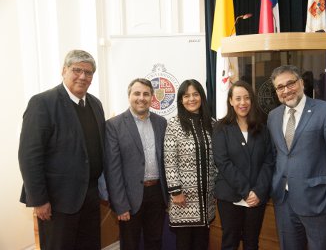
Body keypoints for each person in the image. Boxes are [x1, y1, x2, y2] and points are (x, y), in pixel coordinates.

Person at [18, 50, 105, 250]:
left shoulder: (95, 104)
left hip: (90, 197)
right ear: (64, 70)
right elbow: (29, 156)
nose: (83, 76)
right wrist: (39, 200)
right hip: (57, 202)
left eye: (88, 72)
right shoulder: (43, 103)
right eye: (77, 70)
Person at [267, 65, 326, 250]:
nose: (286, 90)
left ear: (301, 83)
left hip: (319, 202)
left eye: (290, 83)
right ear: (276, 91)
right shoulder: (273, 117)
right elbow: (275, 155)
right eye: (280, 87)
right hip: (284, 202)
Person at [104, 78, 168, 250]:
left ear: (152, 98)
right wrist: (120, 204)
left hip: (157, 194)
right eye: (137, 93)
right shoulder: (114, 125)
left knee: (155, 241)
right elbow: (112, 168)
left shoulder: (161, 122)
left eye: (146, 94)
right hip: (129, 197)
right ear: (129, 96)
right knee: (130, 244)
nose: (141, 98)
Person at [212, 81, 274, 250]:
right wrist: (246, 191)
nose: (243, 103)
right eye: (238, 98)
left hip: (257, 197)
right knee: (230, 242)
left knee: (252, 242)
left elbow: (269, 161)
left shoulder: (262, 127)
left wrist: (258, 191)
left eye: (247, 98)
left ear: (252, 101)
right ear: (231, 101)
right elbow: (223, 162)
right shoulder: (221, 128)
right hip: (230, 195)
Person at [164, 79, 217, 250]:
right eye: (186, 96)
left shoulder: (212, 123)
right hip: (183, 201)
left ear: (201, 97)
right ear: (181, 100)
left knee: (202, 244)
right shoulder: (174, 124)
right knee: (185, 245)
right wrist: (176, 192)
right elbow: (169, 161)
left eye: (195, 94)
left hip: (207, 199)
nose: (191, 99)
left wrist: (216, 185)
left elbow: (217, 158)